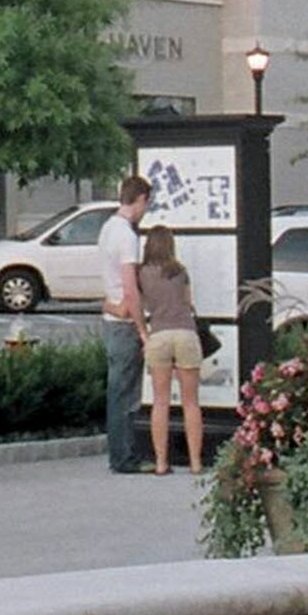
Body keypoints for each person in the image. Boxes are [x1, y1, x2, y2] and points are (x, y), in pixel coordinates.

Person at [135, 223, 204, 475]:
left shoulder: (142, 274)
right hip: (185, 332)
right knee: (191, 403)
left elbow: (140, 303)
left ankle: (162, 462)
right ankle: (196, 462)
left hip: (159, 334)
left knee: (160, 402)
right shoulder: (180, 271)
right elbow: (188, 302)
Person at [97, 172, 152, 473]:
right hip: (125, 322)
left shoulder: (107, 229)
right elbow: (130, 285)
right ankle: (125, 456)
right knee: (127, 393)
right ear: (140, 199)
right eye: (146, 204)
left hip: (111, 316)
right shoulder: (127, 237)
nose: (145, 212)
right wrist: (142, 328)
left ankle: (117, 452)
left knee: (116, 389)